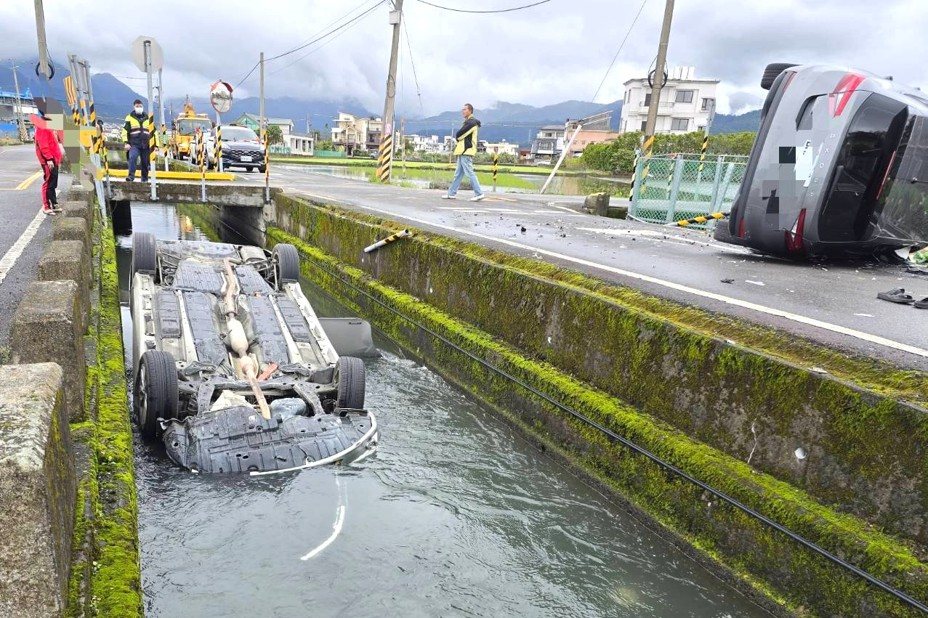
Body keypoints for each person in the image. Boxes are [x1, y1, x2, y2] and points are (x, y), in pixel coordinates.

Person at [442, 103, 484, 201]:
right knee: (458, 173)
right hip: (462, 151)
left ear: (470, 111)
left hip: (467, 151)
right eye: (462, 109)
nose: (463, 111)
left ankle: (479, 193)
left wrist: (457, 137)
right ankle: (451, 193)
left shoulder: (471, 122)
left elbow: (460, 135)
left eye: (465, 109)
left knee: (469, 172)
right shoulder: (468, 122)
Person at [33, 99, 63, 215]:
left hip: (54, 158)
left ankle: (54, 203)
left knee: (53, 183)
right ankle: (46, 206)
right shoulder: (42, 126)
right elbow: (43, 145)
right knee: (48, 182)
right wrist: (49, 159)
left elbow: (54, 141)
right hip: (49, 160)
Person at [122, 99, 150, 182]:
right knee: (132, 157)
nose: (139, 108)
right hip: (134, 144)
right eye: (137, 106)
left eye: (140, 106)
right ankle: (131, 177)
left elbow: (154, 132)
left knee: (145, 162)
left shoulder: (148, 118)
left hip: (145, 145)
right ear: (134, 107)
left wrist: (156, 145)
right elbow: (125, 131)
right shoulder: (129, 118)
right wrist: (126, 143)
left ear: (143, 107)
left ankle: (144, 179)